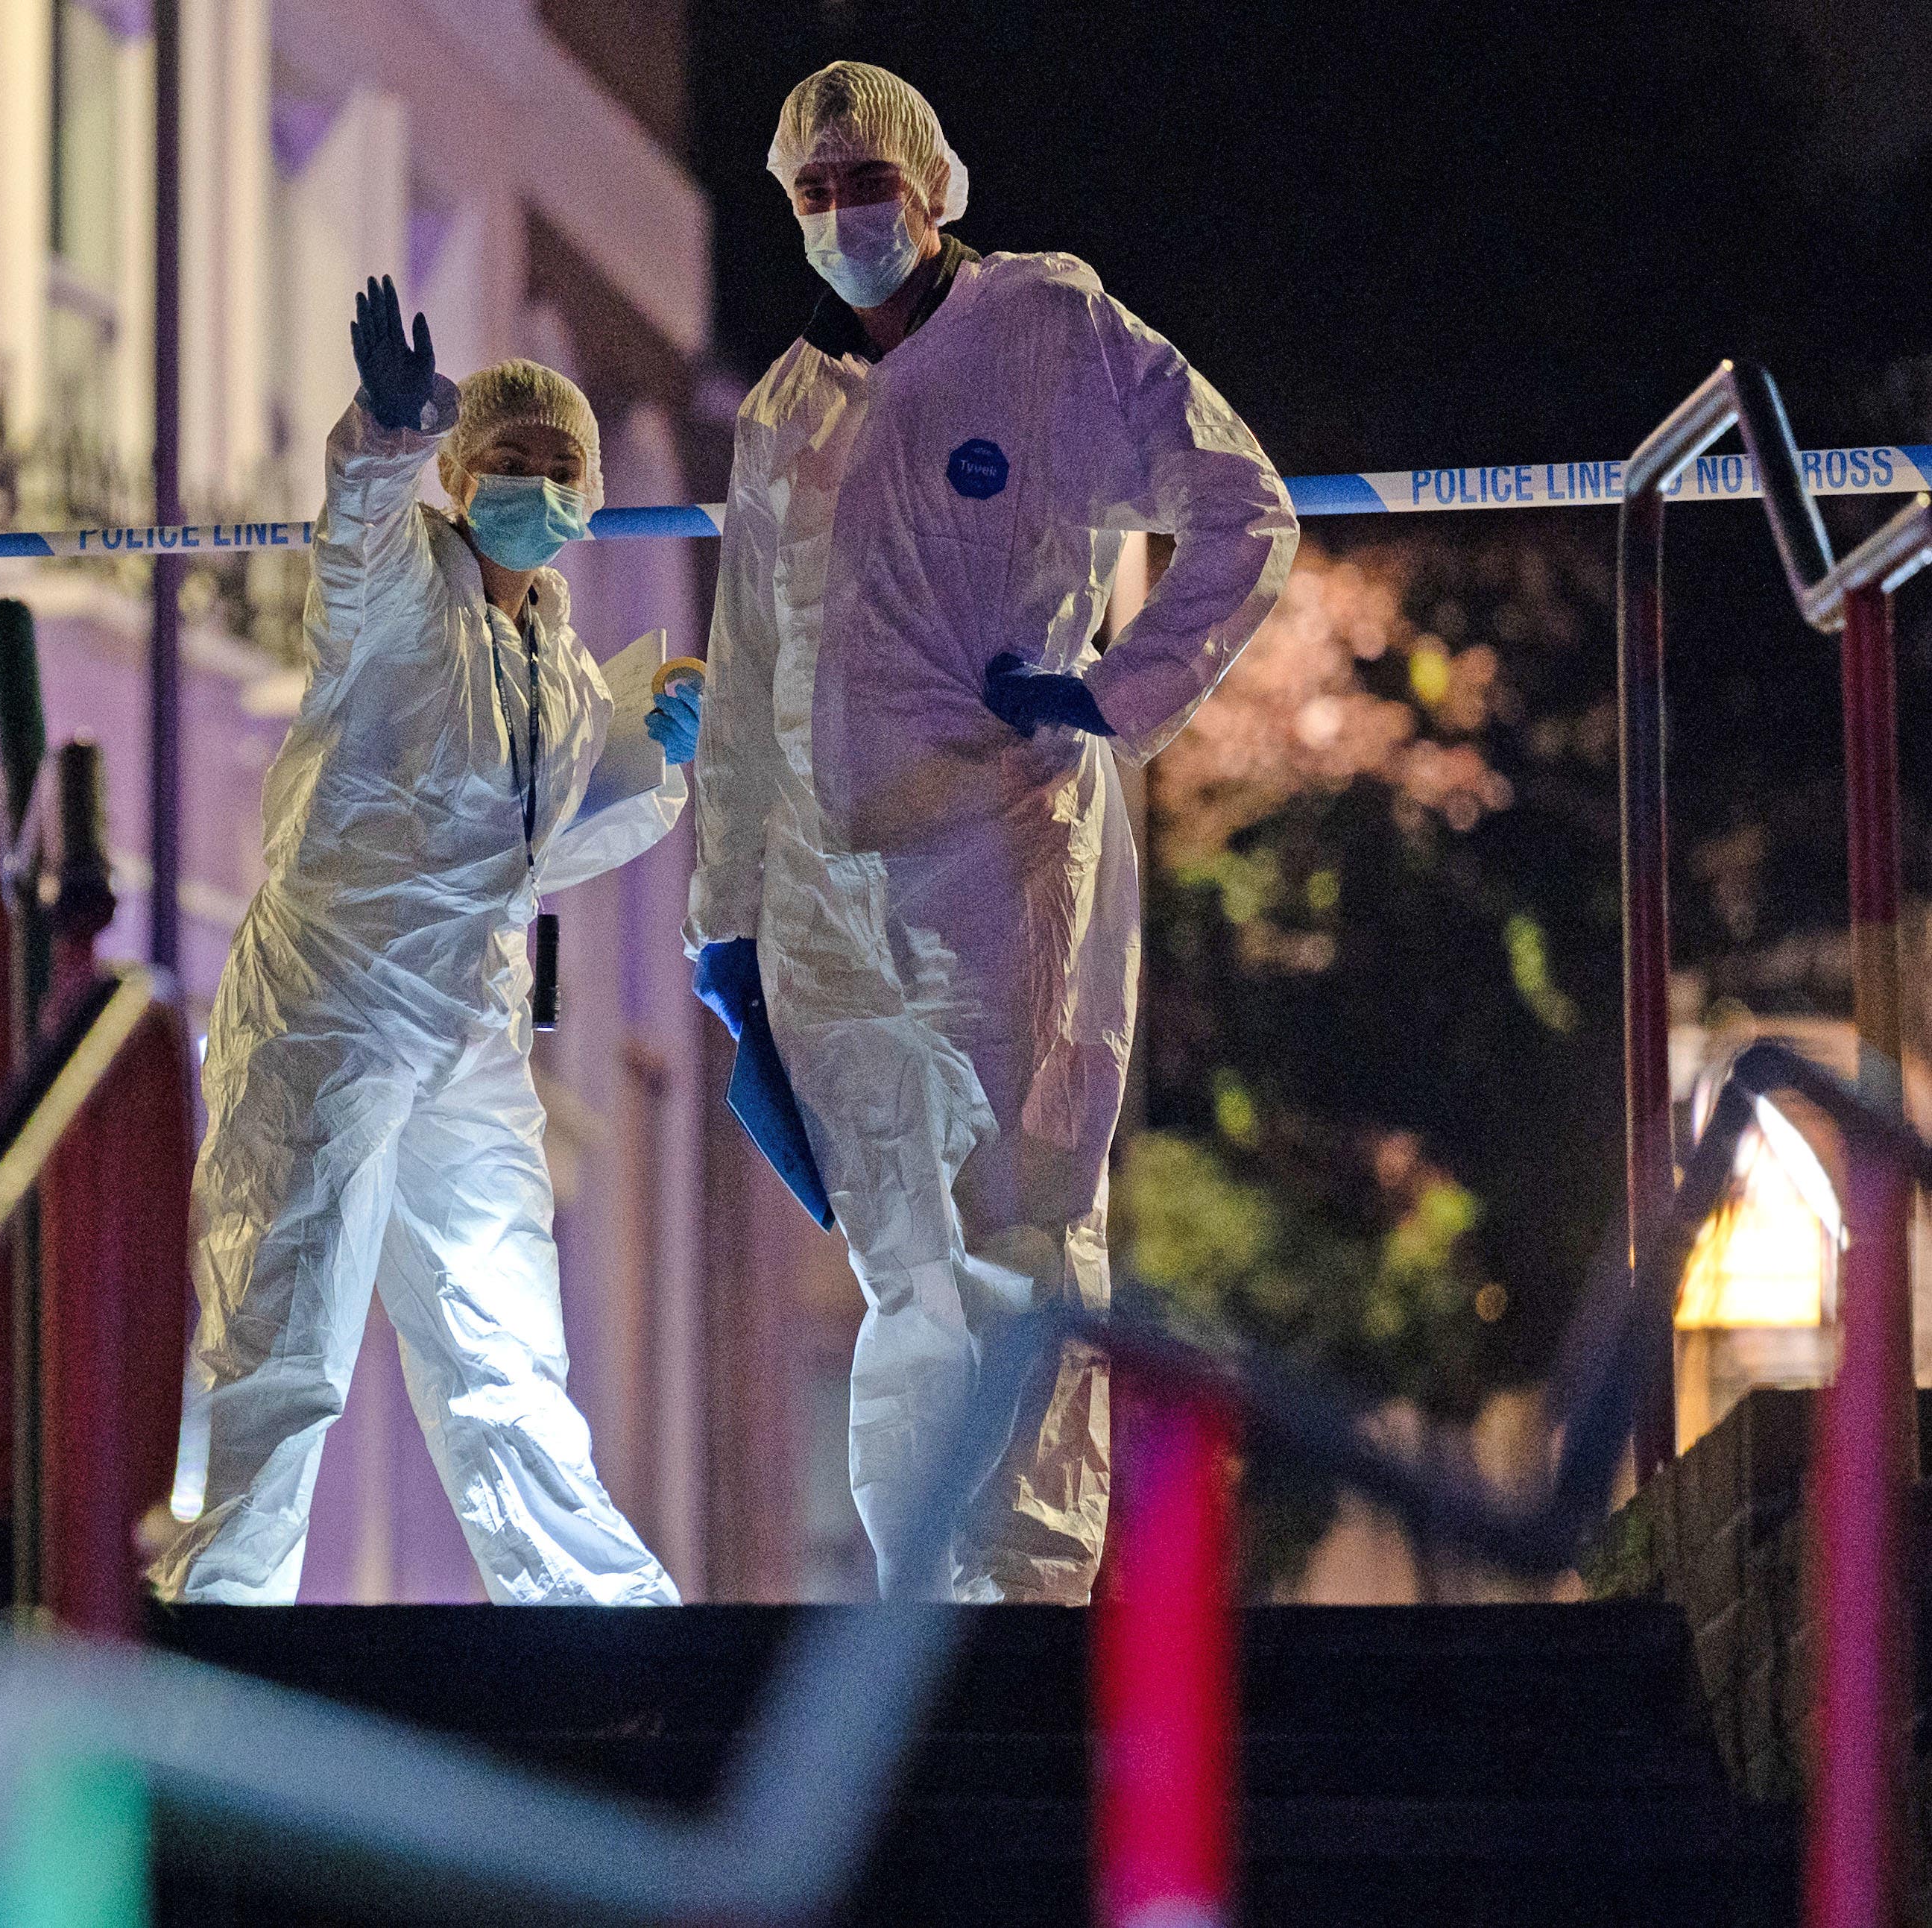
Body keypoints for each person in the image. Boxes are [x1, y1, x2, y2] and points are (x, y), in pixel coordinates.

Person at [689, 64, 1298, 1601]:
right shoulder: (781, 411)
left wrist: (1113, 691)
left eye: (865, 182)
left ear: (934, 185)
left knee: (1017, 1238)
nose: (839, 216)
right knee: (900, 1269)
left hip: (994, 861)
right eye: (810, 191)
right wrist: (727, 920)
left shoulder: (1045, 333)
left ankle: (1023, 1608)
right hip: (824, 902)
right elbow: (750, 671)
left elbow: (1241, 508)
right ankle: (915, 1615)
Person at [148, 279, 699, 1607]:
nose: (532, 479)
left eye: (559, 465)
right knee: (283, 1326)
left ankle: (597, 1620)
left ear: (590, 492)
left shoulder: (559, 668)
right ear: (456, 477)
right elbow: (353, 540)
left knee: (506, 1341)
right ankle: (221, 1619)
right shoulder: (403, 596)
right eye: (504, 459)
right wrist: (384, 436)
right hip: (331, 1007)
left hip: (469, 1027)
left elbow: (516, 844)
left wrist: (652, 760)